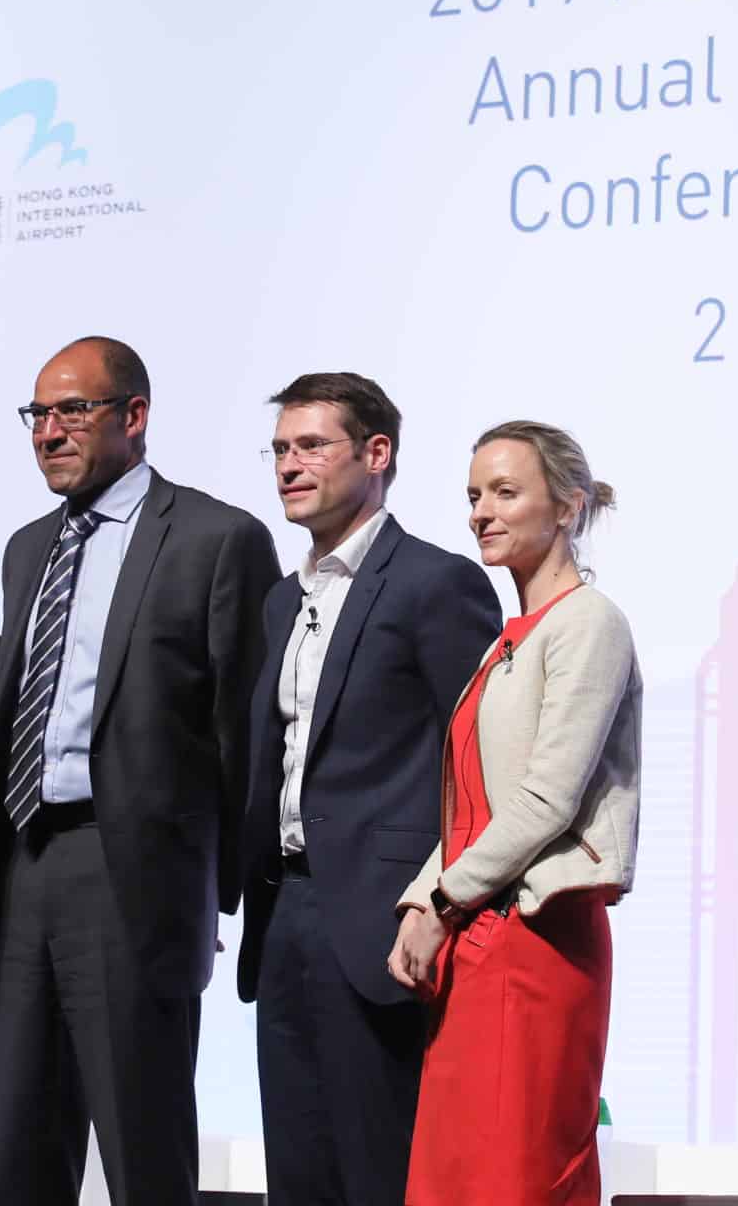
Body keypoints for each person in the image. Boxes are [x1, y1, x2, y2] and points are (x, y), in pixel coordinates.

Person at [0, 336, 279, 1206]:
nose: (48, 431)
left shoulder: (218, 539)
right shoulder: (27, 548)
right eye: (38, 414)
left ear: (134, 417)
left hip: (134, 873)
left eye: (73, 410)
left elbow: (242, 740)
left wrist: (205, 893)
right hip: (29, 862)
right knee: (20, 1147)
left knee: (140, 1145)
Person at [237, 374, 501, 1206]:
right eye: (280, 449)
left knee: (376, 1167)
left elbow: (481, 767)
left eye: (311, 445)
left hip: (385, 916)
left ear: (376, 454)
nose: (289, 465)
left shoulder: (435, 582)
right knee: (297, 1173)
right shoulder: (284, 600)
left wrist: (438, 901)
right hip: (284, 912)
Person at [388, 420, 641, 1206]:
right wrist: (417, 903)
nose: (480, 512)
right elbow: (472, 805)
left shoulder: (587, 623)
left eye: (505, 492)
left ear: (566, 508)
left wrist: (439, 899)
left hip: (536, 941)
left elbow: (545, 799)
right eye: (473, 496)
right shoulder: (507, 642)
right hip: (477, 936)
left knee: (516, 1176)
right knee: (453, 1178)